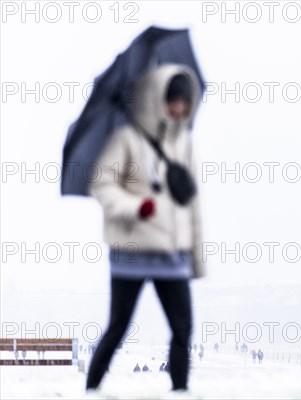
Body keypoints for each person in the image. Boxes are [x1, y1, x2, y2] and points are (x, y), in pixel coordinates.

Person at [85, 65, 205, 393]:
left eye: (184, 101)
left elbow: (192, 203)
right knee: (119, 326)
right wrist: (136, 207)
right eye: (172, 100)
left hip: (172, 254)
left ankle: (180, 391)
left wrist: (196, 257)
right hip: (132, 251)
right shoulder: (126, 137)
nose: (179, 108)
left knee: (183, 328)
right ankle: (92, 390)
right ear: (157, 99)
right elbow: (102, 184)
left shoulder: (185, 142)